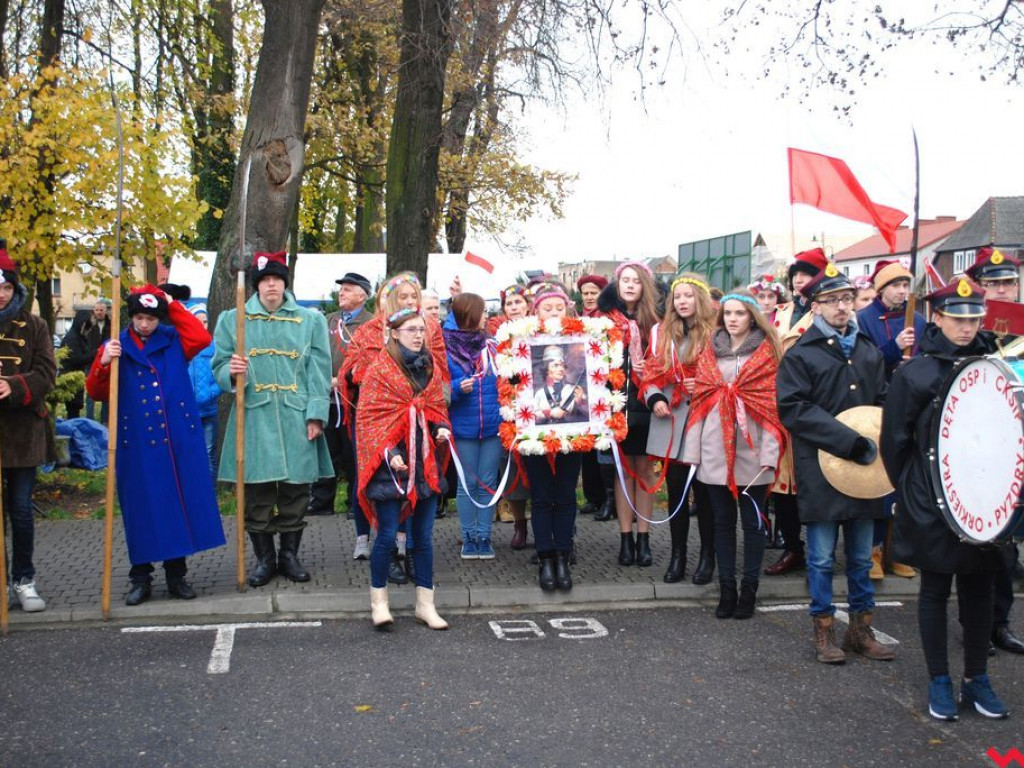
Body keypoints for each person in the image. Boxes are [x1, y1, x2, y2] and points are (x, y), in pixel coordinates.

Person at [881, 278, 1010, 720]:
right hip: (932, 499)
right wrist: (914, 493)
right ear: (937, 317)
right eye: (958, 318)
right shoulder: (915, 372)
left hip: (985, 498)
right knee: (935, 589)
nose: (967, 327)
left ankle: (977, 679)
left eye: (974, 319)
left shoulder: (996, 366)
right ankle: (940, 679)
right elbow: (894, 442)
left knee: (980, 588)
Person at [776, 263, 896, 664]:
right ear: (816, 307)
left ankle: (860, 632)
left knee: (862, 557)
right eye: (832, 301)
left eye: (847, 299)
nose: (842, 307)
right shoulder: (801, 354)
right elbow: (793, 409)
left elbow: (881, 403)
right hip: (823, 470)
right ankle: (823, 632)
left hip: (865, 470)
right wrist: (849, 441)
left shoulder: (867, 350)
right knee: (822, 558)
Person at [87, 285, 226, 605]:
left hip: (176, 438)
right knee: (142, 509)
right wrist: (105, 362)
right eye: (139, 317)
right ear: (131, 317)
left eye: (151, 317)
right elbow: (95, 391)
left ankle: (176, 576)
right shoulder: (117, 344)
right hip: (136, 442)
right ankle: (140, 578)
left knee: (177, 505)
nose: (145, 324)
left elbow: (202, 338)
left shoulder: (173, 338)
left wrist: (169, 303)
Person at [213, 251, 333, 587]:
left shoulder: (311, 321)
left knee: (296, 490)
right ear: (256, 286)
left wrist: (316, 415)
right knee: (258, 491)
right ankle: (265, 559)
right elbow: (219, 367)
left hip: (297, 416)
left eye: (277, 280)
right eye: (265, 280)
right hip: (254, 415)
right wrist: (231, 372)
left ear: (284, 283)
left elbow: (319, 371)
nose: (271, 286)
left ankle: (290, 556)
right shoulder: (232, 319)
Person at [341, 272, 449, 583]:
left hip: (418, 421)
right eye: (403, 298)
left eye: (414, 297)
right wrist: (369, 374)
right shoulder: (367, 332)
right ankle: (386, 554)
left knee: (418, 485)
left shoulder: (428, 329)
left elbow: (438, 368)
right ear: (389, 301)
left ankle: (412, 551)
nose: (411, 302)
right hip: (378, 421)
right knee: (382, 487)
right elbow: (349, 372)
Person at [684, 291, 783, 619]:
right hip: (715, 447)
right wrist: (693, 450)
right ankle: (727, 589)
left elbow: (771, 408)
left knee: (753, 523)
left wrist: (770, 453)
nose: (732, 319)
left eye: (739, 313)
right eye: (728, 313)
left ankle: (749, 589)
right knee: (722, 523)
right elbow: (700, 401)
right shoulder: (710, 352)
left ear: (752, 316)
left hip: (752, 447)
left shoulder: (767, 354)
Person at [357, 307, 451, 630]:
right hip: (390, 469)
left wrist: (441, 426)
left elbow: (437, 406)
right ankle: (379, 604)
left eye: (421, 329)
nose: (417, 334)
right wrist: (390, 452)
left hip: (425, 464)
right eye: (410, 329)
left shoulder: (431, 367)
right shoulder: (380, 369)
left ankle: (425, 605)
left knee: (423, 537)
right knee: (385, 536)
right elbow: (370, 421)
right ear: (394, 333)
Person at [966, 246, 1024, 656]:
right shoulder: (970, 330)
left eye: (1009, 282)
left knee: (1009, 547)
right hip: (982, 452)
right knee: (982, 546)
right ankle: (975, 625)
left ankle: (999, 624)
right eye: (994, 283)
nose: (1002, 289)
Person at [641, 274, 716, 584]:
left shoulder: (715, 332)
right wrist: (654, 396)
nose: (682, 302)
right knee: (676, 493)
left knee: (705, 493)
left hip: (705, 419)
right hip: (671, 420)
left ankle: (707, 557)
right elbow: (651, 371)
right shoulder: (661, 332)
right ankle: (677, 556)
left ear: (700, 299)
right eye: (678, 297)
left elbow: (727, 375)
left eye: (688, 296)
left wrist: (703, 383)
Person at [855, 259, 925, 582]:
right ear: (881, 288)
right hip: (880, 404)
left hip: (913, 407)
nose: (901, 291)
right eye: (895, 285)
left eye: (905, 285)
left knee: (906, 480)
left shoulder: (920, 321)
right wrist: (893, 349)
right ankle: (873, 550)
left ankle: (900, 550)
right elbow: (864, 363)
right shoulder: (864, 319)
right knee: (880, 480)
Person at [762, 248, 827, 579]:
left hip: (812, 404)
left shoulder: (826, 315)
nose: (800, 280)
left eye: (807, 274)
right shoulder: (780, 312)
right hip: (778, 405)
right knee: (781, 484)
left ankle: (820, 548)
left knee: (812, 481)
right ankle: (792, 546)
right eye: (796, 275)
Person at [0, 247, 56, 613]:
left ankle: (24, 579)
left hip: (22, 434)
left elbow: (46, 374)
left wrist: (14, 386)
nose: (1, 294)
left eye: (5, 287)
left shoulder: (34, 326)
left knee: (20, 509)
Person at [597, 262, 660, 567]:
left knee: (645, 471)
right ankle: (625, 538)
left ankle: (644, 538)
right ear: (617, 284)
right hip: (616, 402)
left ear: (645, 286)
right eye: (625, 280)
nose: (631, 285)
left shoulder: (656, 321)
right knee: (623, 472)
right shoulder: (604, 320)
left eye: (637, 280)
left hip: (647, 402)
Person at [521, 283, 583, 590]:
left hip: (573, 438)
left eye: (560, 308)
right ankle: (545, 557)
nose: (555, 314)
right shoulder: (518, 341)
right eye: (548, 308)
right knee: (542, 496)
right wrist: (543, 414)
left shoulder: (583, 339)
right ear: (536, 312)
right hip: (534, 438)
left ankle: (563, 555)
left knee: (566, 495)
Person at [308, 271, 373, 541]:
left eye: (348, 289)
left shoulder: (370, 323)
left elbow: (370, 358)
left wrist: (344, 379)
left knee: (352, 451)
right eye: (341, 289)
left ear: (363, 295)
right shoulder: (330, 320)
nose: (342, 293)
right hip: (328, 395)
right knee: (327, 448)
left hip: (355, 397)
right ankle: (322, 500)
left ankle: (354, 503)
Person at [444, 293, 502, 560]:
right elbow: (439, 391)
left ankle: (484, 536)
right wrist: (457, 388)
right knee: (467, 484)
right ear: (468, 314)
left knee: (488, 482)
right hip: (463, 428)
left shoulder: (493, 346)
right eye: (482, 311)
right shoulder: (446, 349)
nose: (486, 316)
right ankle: (468, 537)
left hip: (492, 427)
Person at [488, 283, 532, 545]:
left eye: (518, 302)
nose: (514, 307)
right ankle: (519, 525)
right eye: (509, 304)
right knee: (512, 468)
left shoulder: (539, 330)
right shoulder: (497, 336)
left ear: (527, 305)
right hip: (508, 409)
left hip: (537, 407)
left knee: (537, 469)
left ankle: (545, 526)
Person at [575, 274, 610, 517]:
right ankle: (592, 496)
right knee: (586, 446)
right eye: (585, 293)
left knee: (603, 446)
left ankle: (609, 497)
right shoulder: (577, 319)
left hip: (602, 387)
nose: (589, 297)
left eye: (593, 293)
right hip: (581, 387)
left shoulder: (607, 319)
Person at [186, 303, 222, 481]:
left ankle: (211, 500)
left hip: (209, 411)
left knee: (208, 456)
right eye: (197, 321)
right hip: (186, 412)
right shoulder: (182, 346)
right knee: (188, 455)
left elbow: (222, 376)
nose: (202, 325)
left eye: (205, 321)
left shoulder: (213, 347)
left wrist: (210, 394)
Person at [62, 299, 111, 420]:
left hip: (77, 376)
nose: (88, 330)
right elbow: (77, 359)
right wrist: (97, 352)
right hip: (72, 377)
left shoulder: (79, 336)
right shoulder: (73, 338)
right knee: (76, 407)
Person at [533, 345, 587, 424]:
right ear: (546, 369)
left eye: (562, 365)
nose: (561, 369)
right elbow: (532, 418)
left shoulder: (573, 390)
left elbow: (589, 413)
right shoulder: (540, 393)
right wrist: (548, 413)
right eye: (555, 365)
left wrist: (580, 403)